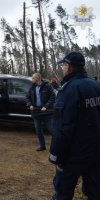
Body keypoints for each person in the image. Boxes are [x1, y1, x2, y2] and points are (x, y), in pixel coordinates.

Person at [49, 52, 100, 200]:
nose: (62, 68)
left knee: (63, 192)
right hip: (96, 151)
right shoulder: (96, 86)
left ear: (70, 67)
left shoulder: (68, 90)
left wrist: (55, 154)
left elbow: (63, 127)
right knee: (96, 191)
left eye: (64, 65)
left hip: (72, 155)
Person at [25, 73, 55, 151]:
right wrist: (30, 104)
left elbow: (53, 97)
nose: (32, 80)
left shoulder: (47, 86)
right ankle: (42, 146)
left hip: (46, 112)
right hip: (36, 112)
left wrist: (46, 106)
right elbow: (27, 97)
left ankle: (57, 145)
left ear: (38, 78)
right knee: (38, 130)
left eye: (33, 78)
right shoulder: (32, 87)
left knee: (51, 129)